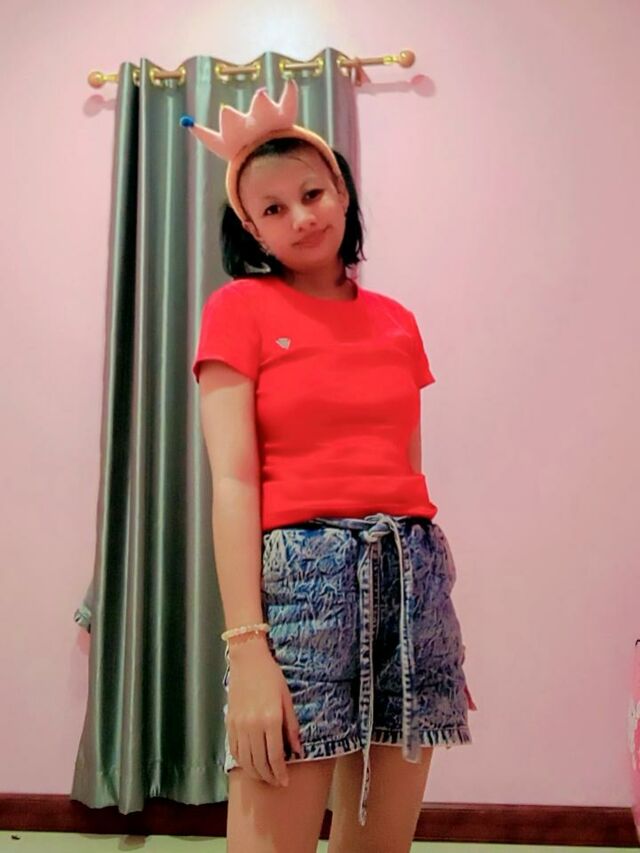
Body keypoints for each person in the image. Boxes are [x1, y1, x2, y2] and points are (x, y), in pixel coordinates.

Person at [181, 79, 476, 853]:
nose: (302, 217)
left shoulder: (396, 321)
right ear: (251, 227)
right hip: (301, 581)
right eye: (273, 208)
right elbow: (233, 481)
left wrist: (428, 625)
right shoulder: (238, 309)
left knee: (380, 846)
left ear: (341, 190)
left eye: (312, 193)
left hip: (413, 572)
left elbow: (405, 469)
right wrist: (248, 646)